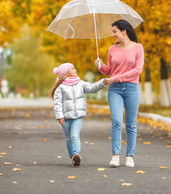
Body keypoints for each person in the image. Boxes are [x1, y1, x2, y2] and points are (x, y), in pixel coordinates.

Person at [95, 19, 144, 168]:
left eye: (115, 31)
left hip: (131, 89)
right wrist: (100, 66)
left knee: (131, 124)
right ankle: (115, 155)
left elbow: (137, 71)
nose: (113, 35)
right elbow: (110, 70)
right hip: (114, 89)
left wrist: (116, 78)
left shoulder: (138, 48)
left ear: (124, 31)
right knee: (116, 121)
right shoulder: (112, 49)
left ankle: (129, 156)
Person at [50, 62, 107, 166]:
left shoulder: (80, 83)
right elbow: (57, 103)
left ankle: (77, 155)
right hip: (65, 118)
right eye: (72, 68)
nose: (75, 70)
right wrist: (59, 116)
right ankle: (72, 157)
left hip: (77, 116)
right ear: (66, 73)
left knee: (75, 135)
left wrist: (103, 82)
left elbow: (91, 87)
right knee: (68, 138)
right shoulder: (60, 87)